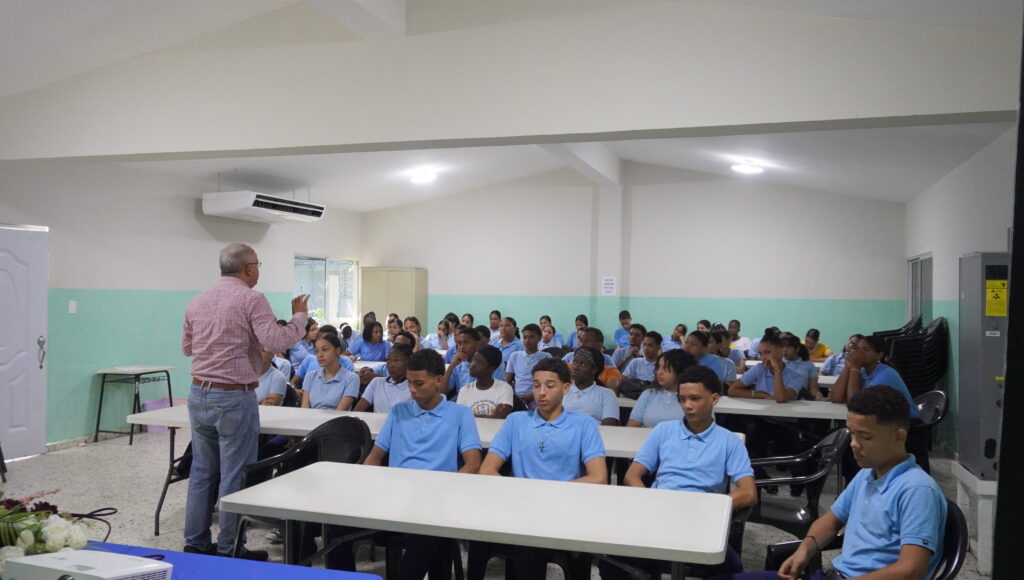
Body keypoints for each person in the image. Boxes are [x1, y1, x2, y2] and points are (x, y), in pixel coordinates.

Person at [723, 386, 947, 580]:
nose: (854, 444)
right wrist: (804, 550)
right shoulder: (868, 474)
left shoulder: (917, 490)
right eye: (853, 434)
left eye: (866, 436)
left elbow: (911, 570)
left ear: (899, 436)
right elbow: (830, 522)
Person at [181, 242, 309, 560]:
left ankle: (195, 543)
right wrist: (300, 317)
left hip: (198, 394)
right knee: (234, 473)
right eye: (258, 266)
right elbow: (275, 340)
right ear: (250, 268)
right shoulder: (252, 299)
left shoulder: (197, 301)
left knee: (202, 472)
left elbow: (187, 347)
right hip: (232, 396)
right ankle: (230, 547)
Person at [603, 366, 756, 579]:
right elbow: (632, 476)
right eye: (682, 399)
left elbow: (748, 492)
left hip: (701, 520)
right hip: (659, 513)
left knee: (730, 567)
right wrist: (652, 502)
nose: (687, 406)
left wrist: (711, 508)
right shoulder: (664, 431)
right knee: (610, 558)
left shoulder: (729, 441)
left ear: (714, 399)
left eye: (695, 399)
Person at [471, 357, 607, 579]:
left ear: (565, 388)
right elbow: (487, 470)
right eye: (536, 385)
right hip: (522, 506)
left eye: (550, 386)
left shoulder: (583, 425)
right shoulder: (516, 421)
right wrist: (521, 495)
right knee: (523, 541)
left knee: (532, 544)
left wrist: (550, 494)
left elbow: (599, 477)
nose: (541, 392)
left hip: (564, 506)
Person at [364, 349, 482, 580]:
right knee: (334, 526)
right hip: (397, 495)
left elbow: (473, 464)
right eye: (409, 383)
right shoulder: (399, 411)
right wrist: (367, 485)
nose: (412, 390)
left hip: (436, 498)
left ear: (439, 380)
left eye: (419, 383)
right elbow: (375, 456)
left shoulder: (460, 414)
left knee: (426, 532)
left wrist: (444, 491)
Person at [829, 334, 929, 473]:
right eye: (858, 349)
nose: (859, 353)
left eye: (866, 349)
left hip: (906, 427)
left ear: (879, 355)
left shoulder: (886, 374)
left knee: (848, 443)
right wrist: (848, 367)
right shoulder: (865, 372)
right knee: (844, 439)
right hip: (882, 422)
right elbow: (836, 397)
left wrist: (855, 367)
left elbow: (856, 404)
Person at [727, 334, 807, 487]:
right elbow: (733, 390)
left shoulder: (796, 376)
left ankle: (799, 483)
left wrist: (777, 371)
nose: (763, 357)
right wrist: (760, 394)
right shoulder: (759, 369)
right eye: (761, 353)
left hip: (786, 422)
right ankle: (762, 480)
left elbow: (781, 398)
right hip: (763, 419)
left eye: (768, 352)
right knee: (751, 440)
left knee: (794, 453)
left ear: (780, 351)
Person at [626, 349, 697, 428]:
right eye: (658, 367)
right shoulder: (649, 394)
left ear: (681, 370)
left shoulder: (694, 398)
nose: (659, 372)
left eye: (666, 368)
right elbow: (632, 427)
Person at [300, 334, 360, 410]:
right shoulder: (310, 376)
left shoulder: (351, 378)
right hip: (311, 417)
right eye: (317, 351)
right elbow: (304, 409)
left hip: (337, 417)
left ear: (337, 351)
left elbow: (340, 411)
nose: (319, 355)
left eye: (325, 350)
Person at [562, 347, 619, 425]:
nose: (575, 367)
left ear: (594, 370)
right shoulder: (562, 391)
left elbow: (609, 426)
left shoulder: (607, 394)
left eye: (583, 364)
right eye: (574, 362)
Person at [457, 345, 514, 418]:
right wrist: (493, 414)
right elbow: (460, 417)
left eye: (479, 362)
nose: (473, 365)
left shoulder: (504, 388)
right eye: (473, 360)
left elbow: (500, 417)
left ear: (491, 369)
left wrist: (471, 416)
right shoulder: (465, 390)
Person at [354, 343, 412, 413]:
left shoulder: (413, 387)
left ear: (408, 362)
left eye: (396, 361)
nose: (391, 364)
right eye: (388, 360)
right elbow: (357, 411)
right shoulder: (376, 383)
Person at [503, 323, 552, 404]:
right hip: (517, 398)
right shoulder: (515, 356)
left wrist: (531, 396)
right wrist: (513, 396)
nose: (527, 340)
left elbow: (548, 382)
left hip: (538, 397)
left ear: (539, 338)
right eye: (525, 337)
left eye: (531, 337)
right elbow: (507, 381)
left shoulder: (546, 357)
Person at [781, 332, 820, 399]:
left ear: (797, 349)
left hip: (800, 401)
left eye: (788, 347)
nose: (784, 350)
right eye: (782, 347)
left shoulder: (809, 365)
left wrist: (818, 396)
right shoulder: (778, 363)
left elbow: (813, 388)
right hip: (779, 399)